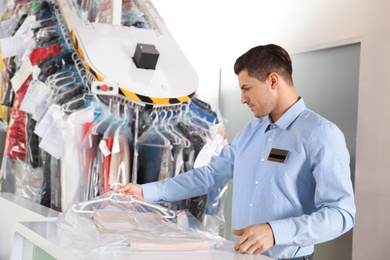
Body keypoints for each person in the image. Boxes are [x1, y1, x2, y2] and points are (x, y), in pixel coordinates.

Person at [117, 44, 356, 260]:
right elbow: (209, 175)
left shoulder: (321, 134)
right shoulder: (251, 132)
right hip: (240, 255)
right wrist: (145, 192)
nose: (243, 99)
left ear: (273, 81)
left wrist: (275, 232)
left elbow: (341, 214)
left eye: (247, 88)